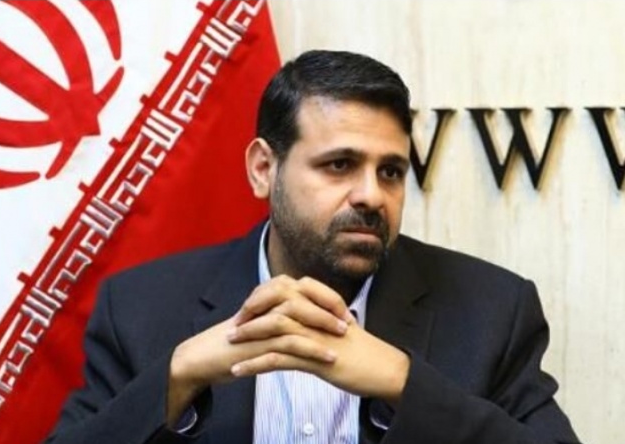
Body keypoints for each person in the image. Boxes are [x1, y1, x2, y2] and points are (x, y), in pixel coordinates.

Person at [46, 50, 580, 444]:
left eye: (391, 172)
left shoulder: (490, 310)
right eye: (339, 165)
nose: (372, 195)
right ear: (264, 169)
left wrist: (402, 381)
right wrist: (178, 376)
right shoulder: (141, 310)